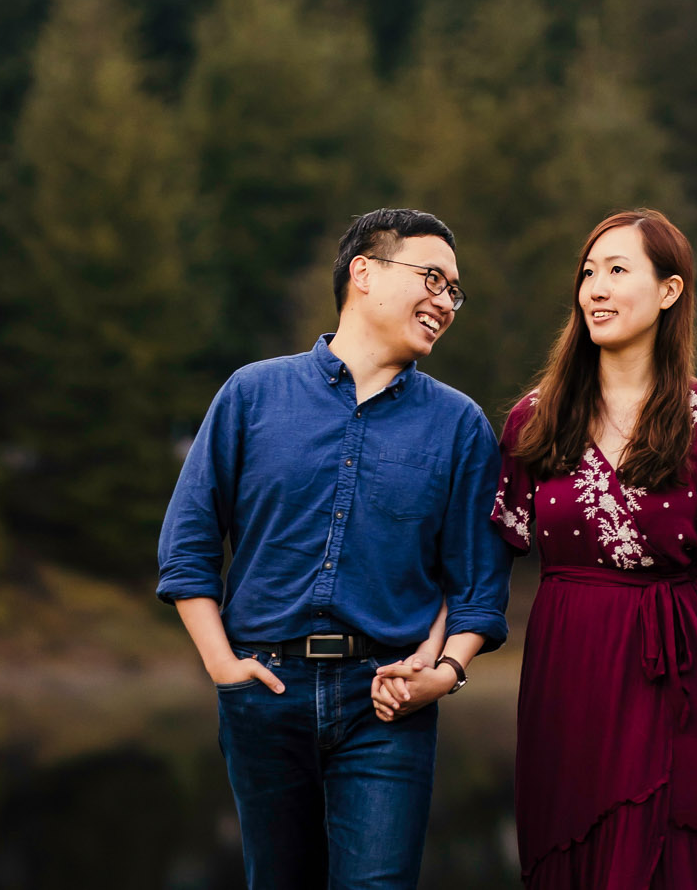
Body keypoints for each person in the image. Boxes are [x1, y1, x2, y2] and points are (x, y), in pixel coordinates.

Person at [158, 206, 510, 890]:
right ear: (364, 273)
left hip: (387, 703)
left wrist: (444, 670)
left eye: (454, 291)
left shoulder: (460, 426)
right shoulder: (251, 395)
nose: (445, 302)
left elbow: (477, 586)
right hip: (265, 691)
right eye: (431, 279)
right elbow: (187, 548)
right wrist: (223, 667)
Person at [488, 206, 697, 890]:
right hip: (570, 677)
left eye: (616, 271)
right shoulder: (533, 419)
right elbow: (481, 566)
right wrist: (435, 659)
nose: (595, 289)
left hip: (688, 675)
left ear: (669, 292)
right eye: (587, 273)